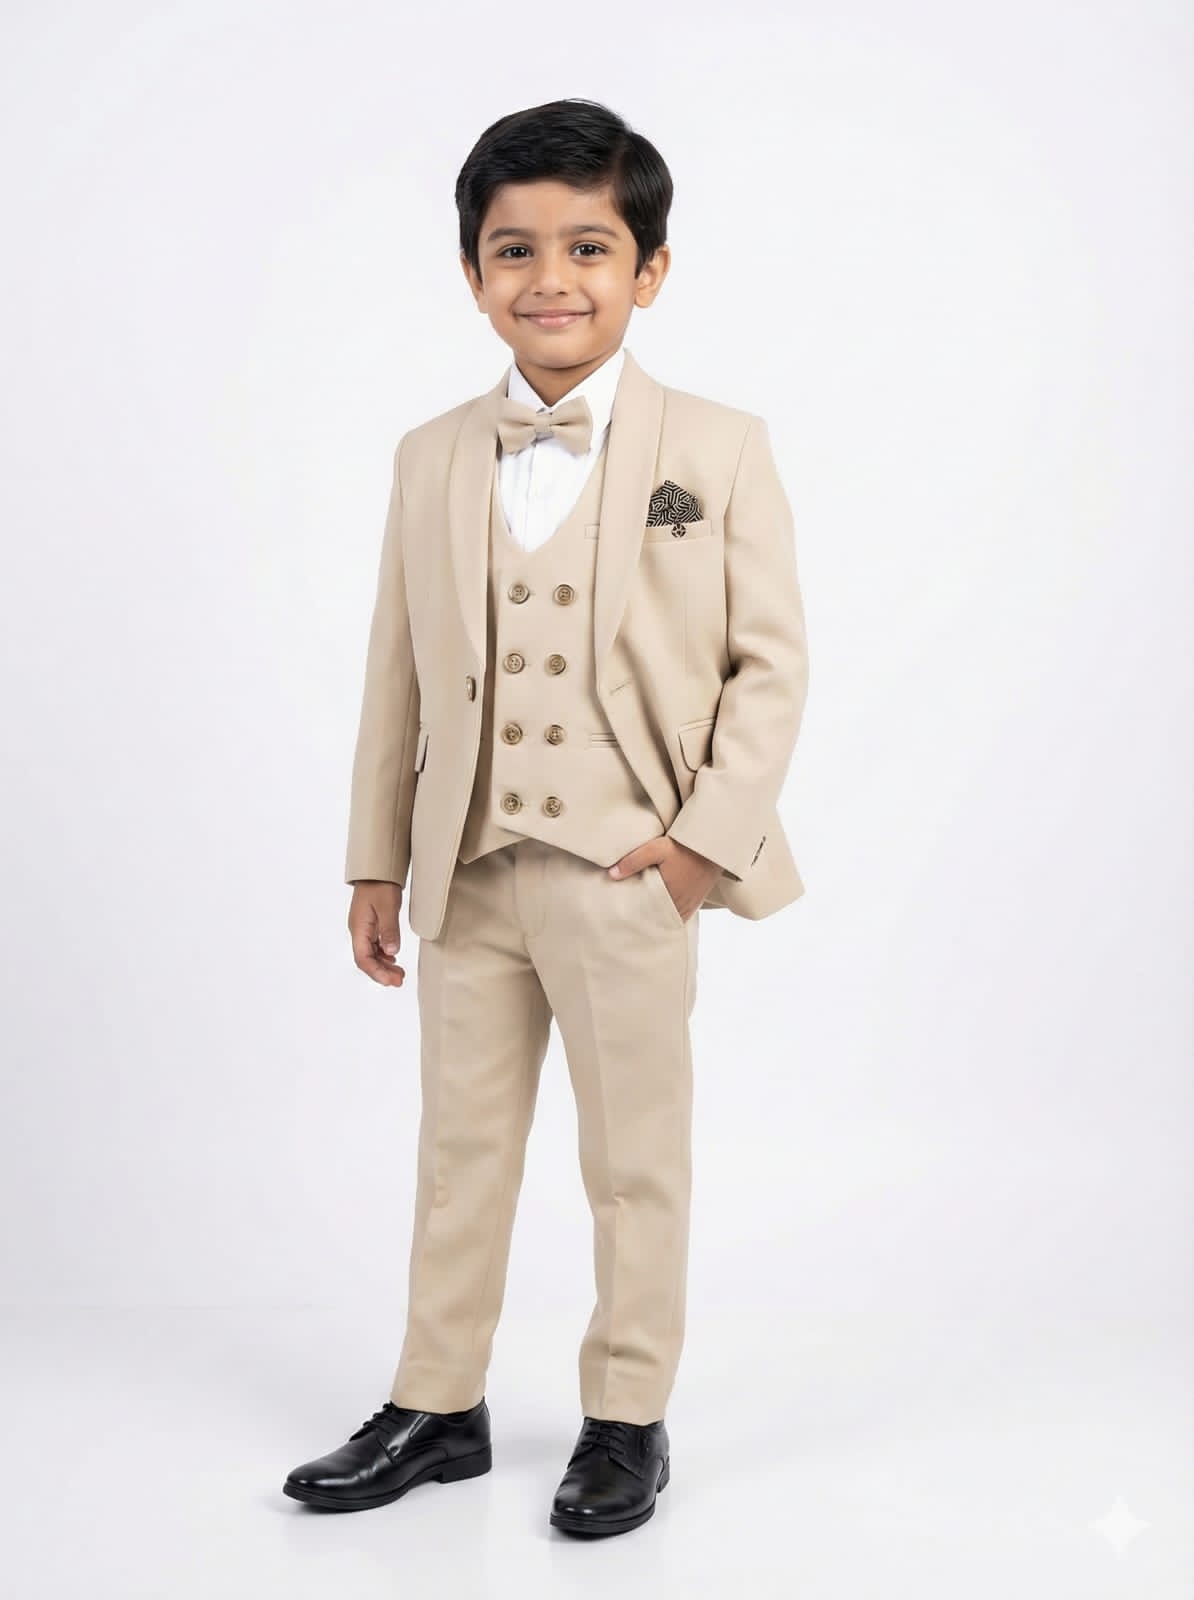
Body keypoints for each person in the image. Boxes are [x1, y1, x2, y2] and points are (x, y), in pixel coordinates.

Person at [283, 96, 809, 1540]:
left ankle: (626, 1414)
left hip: (628, 865)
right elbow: (395, 664)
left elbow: (771, 662)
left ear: (648, 270)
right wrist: (374, 856)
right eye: (513, 250)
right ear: (471, 273)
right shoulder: (430, 453)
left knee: (631, 1153)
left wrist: (703, 839)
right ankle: (436, 1402)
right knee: (459, 1150)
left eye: (589, 246)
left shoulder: (719, 445)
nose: (549, 279)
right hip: (467, 865)